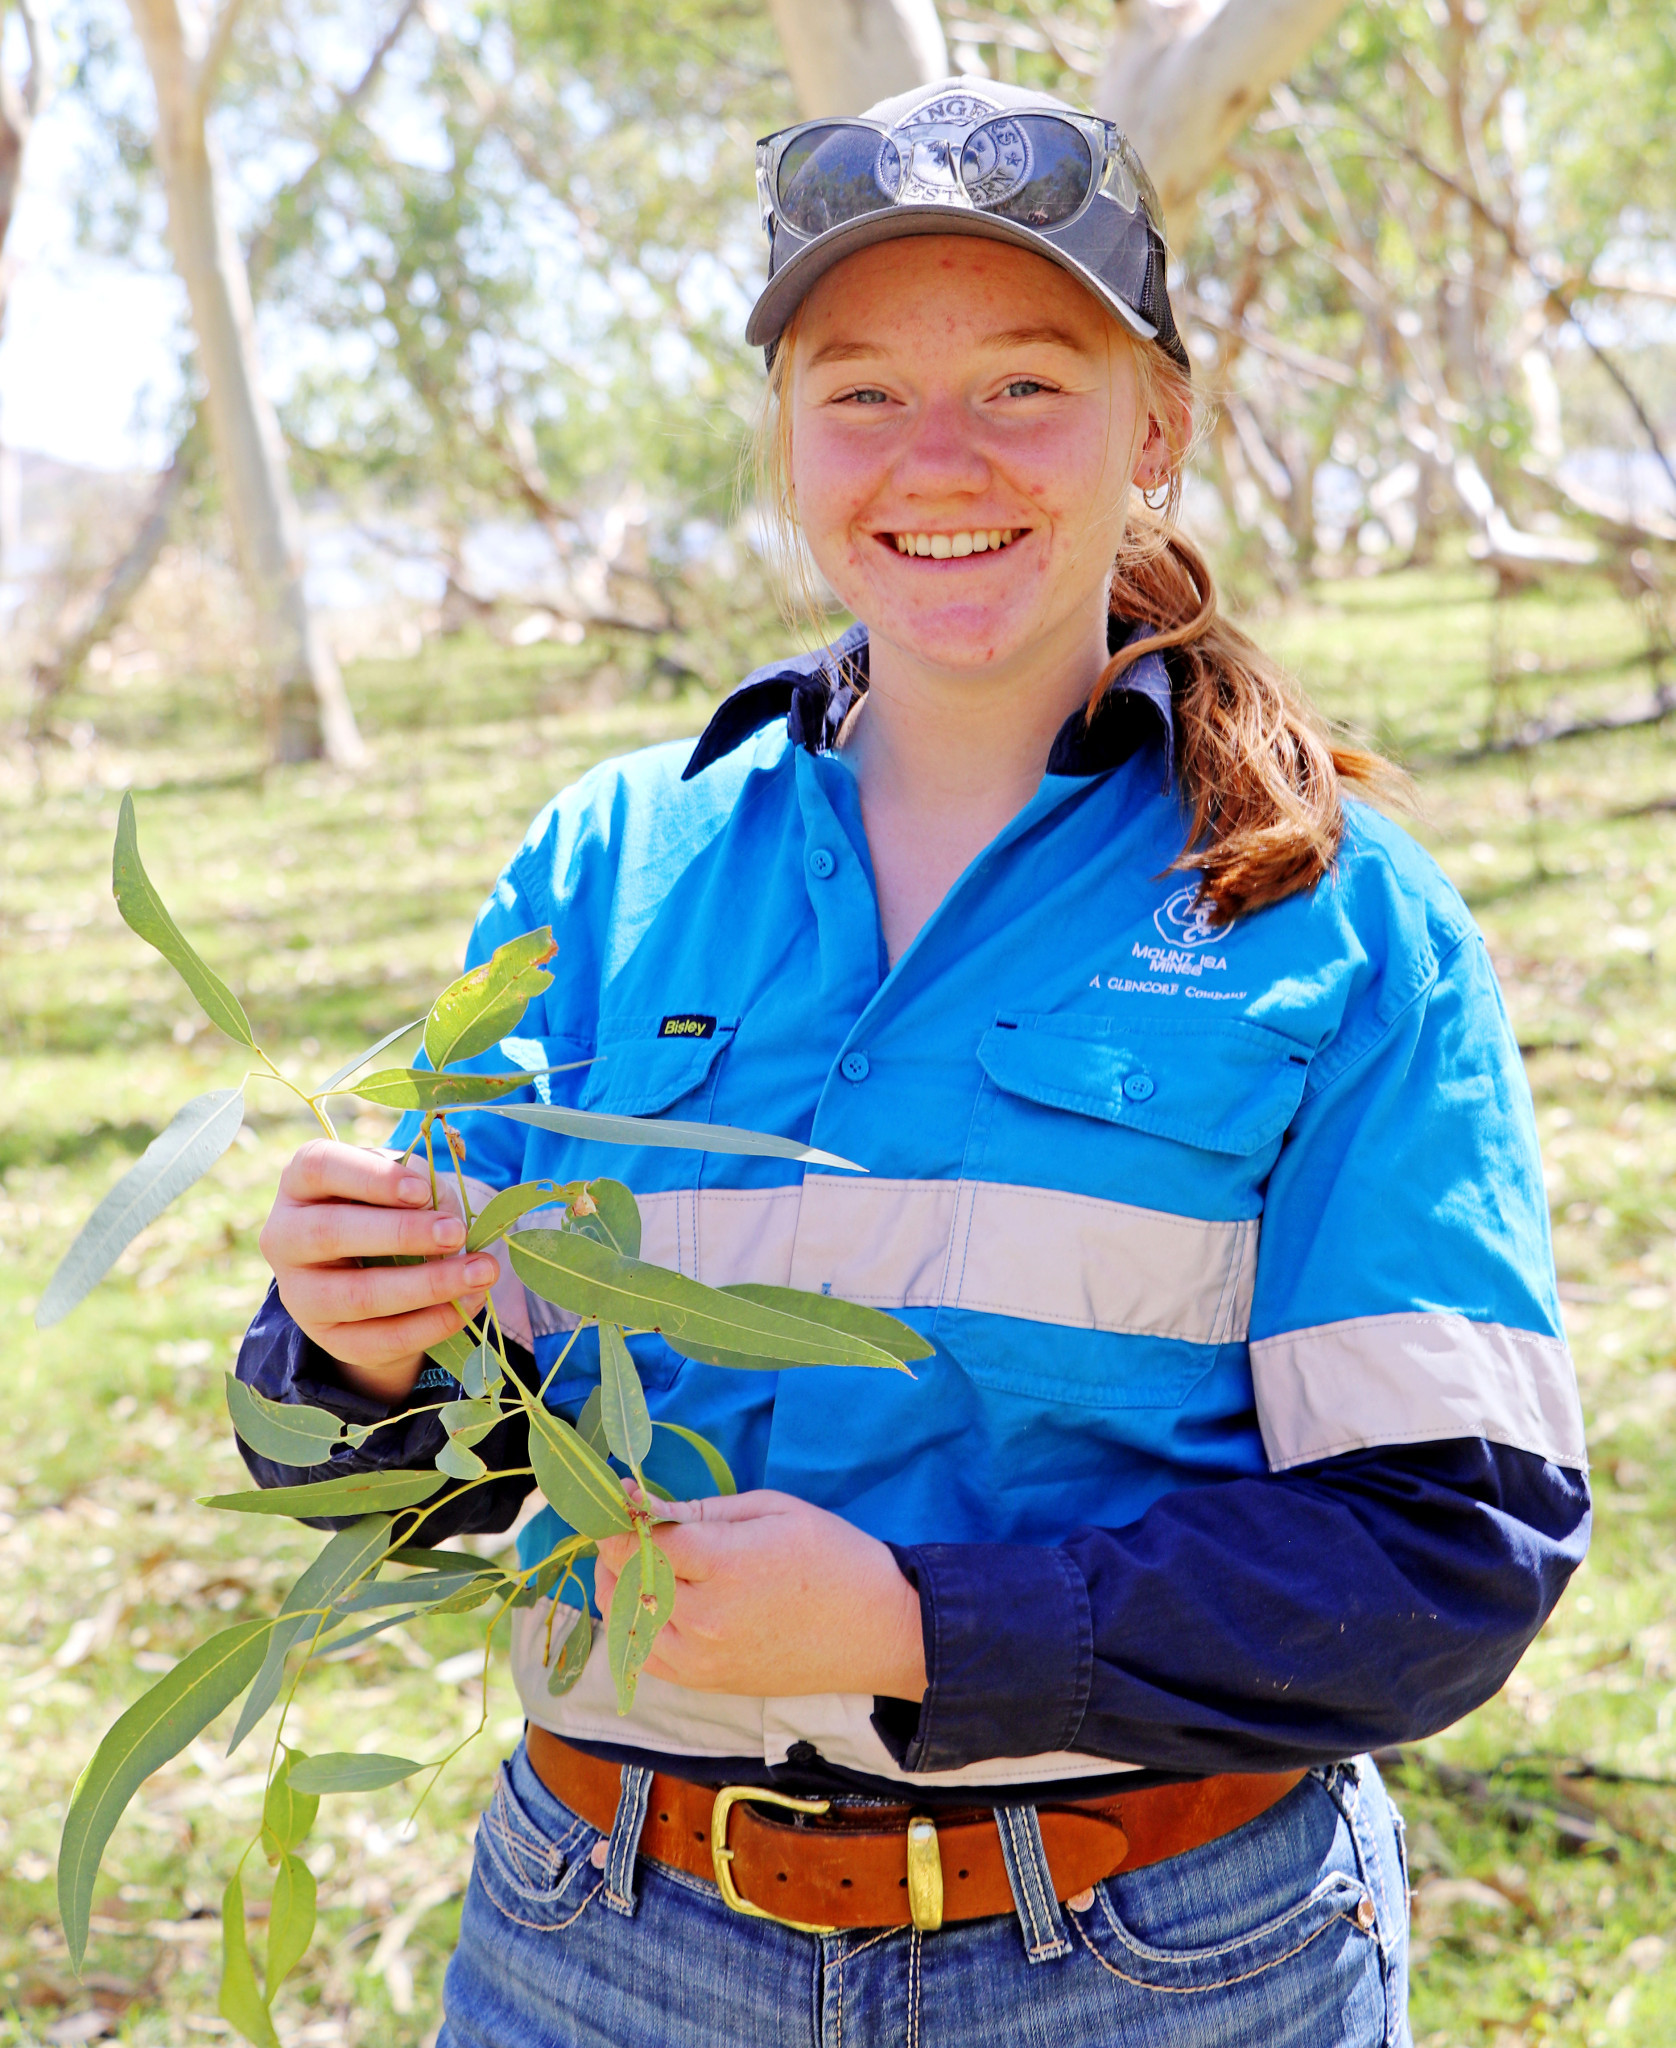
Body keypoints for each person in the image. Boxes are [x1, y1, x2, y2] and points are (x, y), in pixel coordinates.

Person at [240, 78, 1590, 2048]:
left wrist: (913, 1630)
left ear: (1159, 429)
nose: (935, 456)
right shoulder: (607, 869)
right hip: (600, 1936)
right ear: (783, 437)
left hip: (1158, 1967)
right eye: (859, 390)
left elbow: (1443, 1550)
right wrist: (356, 1348)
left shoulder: (1333, 918)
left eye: (1028, 383)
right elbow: (403, 1470)